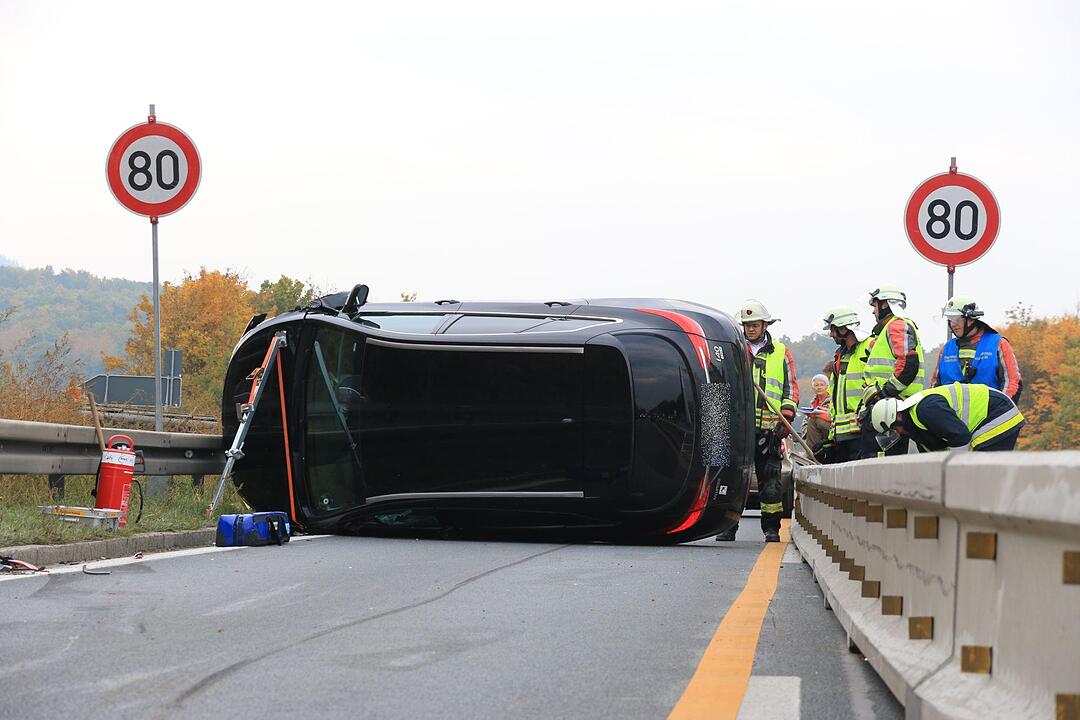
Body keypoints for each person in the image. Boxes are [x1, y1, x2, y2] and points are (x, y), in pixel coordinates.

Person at [717, 300, 798, 543]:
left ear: (765, 325)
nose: (750, 329)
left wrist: (787, 416)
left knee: (770, 480)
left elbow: (790, 388)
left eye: (755, 324)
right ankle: (727, 527)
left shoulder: (782, 352)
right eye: (747, 325)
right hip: (739, 429)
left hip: (770, 428)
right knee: (733, 480)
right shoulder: (733, 351)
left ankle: (771, 529)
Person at [859, 285, 926, 458]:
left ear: (885, 305)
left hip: (892, 408)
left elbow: (908, 363)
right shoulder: (888, 329)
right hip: (891, 406)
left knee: (881, 461)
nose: (873, 312)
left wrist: (884, 392)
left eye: (875, 306)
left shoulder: (896, 326)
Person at [869, 382, 1025, 453]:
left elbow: (961, 438)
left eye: (895, 429)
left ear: (897, 416)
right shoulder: (916, 426)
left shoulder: (926, 410)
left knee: (980, 467)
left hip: (999, 413)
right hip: (991, 415)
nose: (899, 433)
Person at [931, 295, 1023, 402]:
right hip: (951, 417)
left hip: (990, 417)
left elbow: (1012, 383)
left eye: (956, 319)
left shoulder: (998, 344)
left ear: (971, 319)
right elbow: (934, 389)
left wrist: (999, 412)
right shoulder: (946, 349)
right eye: (949, 320)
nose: (952, 324)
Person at [821, 307, 872, 463]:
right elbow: (836, 400)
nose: (831, 334)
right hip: (842, 435)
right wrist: (831, 436)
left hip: (862, 431)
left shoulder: (870, 347)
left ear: (844, 328)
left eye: (833, 329)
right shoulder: (839, 356)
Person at [802, 373, 832, 453]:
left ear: (827, 387)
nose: (819, 387)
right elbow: (805, 422)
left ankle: (812, 454)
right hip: (815, 433)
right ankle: (812, 452)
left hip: (830, 429)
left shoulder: (832, 401)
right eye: (816, 385)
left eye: (821, 385)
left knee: (814, 420)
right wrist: (807, 432)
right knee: (810, 421)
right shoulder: (813, 403)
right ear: (813, 388)